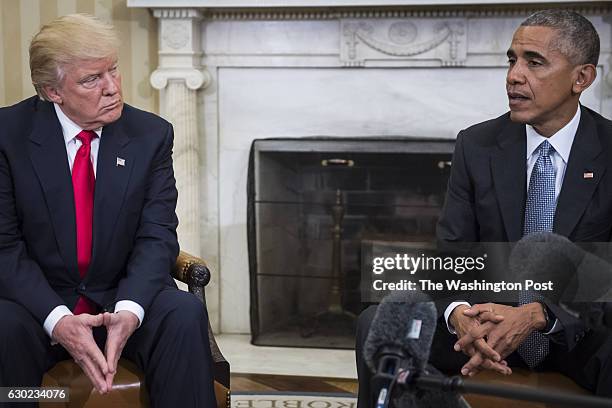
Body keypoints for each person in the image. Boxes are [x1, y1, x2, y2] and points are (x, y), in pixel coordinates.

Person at [356, 9, 612, 406]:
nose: (514, 75)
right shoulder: (476, 146)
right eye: (512, 60)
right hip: (485, 323)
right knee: (380, 321)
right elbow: (452, 255)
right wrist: (458, 314)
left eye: (534, 62)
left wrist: (538, 314)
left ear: (582, 78)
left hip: (572, 331)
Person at [0, 14, 216, 407]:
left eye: (113, 70)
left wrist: (130, 310)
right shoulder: (7, 136)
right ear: (53, 91)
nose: (113, 88)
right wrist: (58, 319)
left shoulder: (150, 135)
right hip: (38, 306)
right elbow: (4, 246)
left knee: (183, 313)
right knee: (3, 328)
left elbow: (157, 234)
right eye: (91, 79)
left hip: (120, 295)